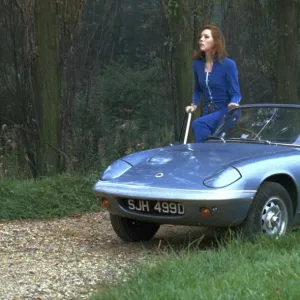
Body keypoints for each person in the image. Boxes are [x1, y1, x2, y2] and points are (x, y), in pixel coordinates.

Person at [185, 25, 242, 142]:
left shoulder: (228, 65)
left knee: (198, 124)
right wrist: (194, 104)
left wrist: (234, 103)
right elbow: (198, 88)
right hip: (208, 112)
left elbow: (236, 93)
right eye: (200, 37)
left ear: (216, 42)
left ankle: (205, 156)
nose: (201, 39)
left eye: (206, 37)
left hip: (227, 112)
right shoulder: (197, 65)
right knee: (211, 138)